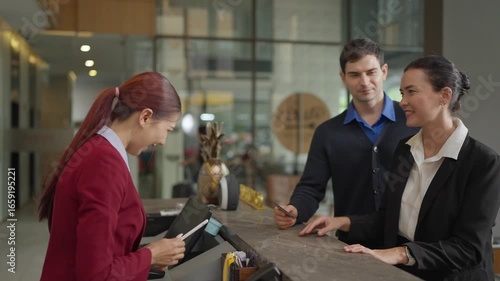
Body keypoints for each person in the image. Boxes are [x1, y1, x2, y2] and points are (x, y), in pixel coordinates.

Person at [300, 55, 500, 281]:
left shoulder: (484, 163)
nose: (402, 101)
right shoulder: (405, 150)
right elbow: (388, 218)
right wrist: (342, 221)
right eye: (403, 93)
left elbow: (468, 249)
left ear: (444, 96)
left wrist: (398, 253)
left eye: (411, 92)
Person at [38, 72, 186, 281]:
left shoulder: (97, 151)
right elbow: (96, 274)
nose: (163, 141)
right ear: (145, 117)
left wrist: (150, 255)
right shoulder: (104, 163)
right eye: (168, 129)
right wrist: (150, 255)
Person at [274, 38, 418, 244]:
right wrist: (294, 209)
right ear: (343, 78)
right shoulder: (327, 132)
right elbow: (311, 187)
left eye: (371, 72)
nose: (364, 82)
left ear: (384, 71)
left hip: (408, 243)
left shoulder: (412, 121)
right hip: (352, 244)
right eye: (354, 75)